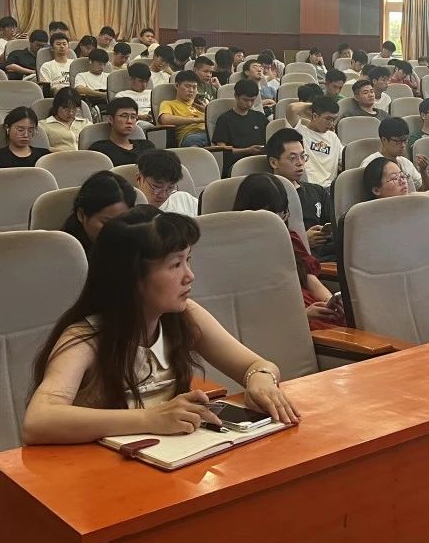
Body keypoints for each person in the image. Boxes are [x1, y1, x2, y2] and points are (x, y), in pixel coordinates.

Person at [23, 206, 297, 446]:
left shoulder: (185, 316)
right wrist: (148, 419)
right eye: (175, 265)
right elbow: (38, 421)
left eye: (188, 260)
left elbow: (256, 365)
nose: (189, 276)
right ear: (132, 277)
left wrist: (260, 379)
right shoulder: (85, 337)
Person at [233, 173, 343, 330]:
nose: (278, 222)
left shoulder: (288, 237)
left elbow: (308, 278)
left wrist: (330, 302)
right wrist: (302, 314)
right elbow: (250, 306)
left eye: (283, 214)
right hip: (281, 318)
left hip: (305, 304)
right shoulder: (235, 251)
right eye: (270, 215)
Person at [266, 128, 336, 262]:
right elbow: (266, 241)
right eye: (293, 158)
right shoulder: (267, 196)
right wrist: (303, 240)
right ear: (274, 162)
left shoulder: (318, 191)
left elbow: (332, 225)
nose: (300, 163)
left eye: (303, 156)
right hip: (296, 260)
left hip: (328, 255)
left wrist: (327, 233)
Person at [63, 170, 136, 258]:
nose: (116, 231)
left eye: (123, 222)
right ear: (81, 215)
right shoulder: (65, 253)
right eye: (107, 223)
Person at [211, 79, 267, 175]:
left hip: (260, 162)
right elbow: (221, 149)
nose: (249, 104)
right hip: (236, 164)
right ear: (236, 96)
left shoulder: (260, 117)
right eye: (245, 100)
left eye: (252, 100)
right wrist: (247, 150)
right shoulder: (225, 119)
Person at [359, 117, 429, 191]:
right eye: (398, 141)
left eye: (405, 140)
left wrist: (423, 171)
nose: (403, 145)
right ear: (384, 140)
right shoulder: (371, 164)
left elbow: (426, 190)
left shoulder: (405, 162)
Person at [87, 98, 155, 167]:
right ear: (110, 119)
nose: (129, 121)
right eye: (124, 116)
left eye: (133, 117)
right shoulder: (99, 149)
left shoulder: (146, 146)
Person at [135, 148, 198, 216]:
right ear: (139, 178)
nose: (163, 195)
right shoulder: (130, 210)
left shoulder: (184, 199)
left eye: (170, 188)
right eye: (157, 187)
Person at [157, 68, 211, 147]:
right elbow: (165, 119)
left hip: (208, 132)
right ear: (177, 85)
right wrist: (197, 120)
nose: (191, 90)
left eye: (194, 87)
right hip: (190, 135)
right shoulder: (168, 104)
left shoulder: (201, 104)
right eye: (187, 86)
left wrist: (207, 110)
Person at [295, 95, 341, 187]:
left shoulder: (333, 137)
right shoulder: (299, 132)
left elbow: (344, 159)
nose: (331, 123)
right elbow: (292, 108)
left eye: (334, 119)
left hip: (330, 188)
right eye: (328, 119)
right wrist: (315, 105)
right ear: (315, 116)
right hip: (308, 187)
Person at [43, 88, 91, 153]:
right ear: (56, 107)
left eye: (74, 109)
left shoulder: (86, 123)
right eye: (66, 109)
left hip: (87, 157)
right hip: (60, 157)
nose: (71, 113)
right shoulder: (44, 125)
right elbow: (41, 147)